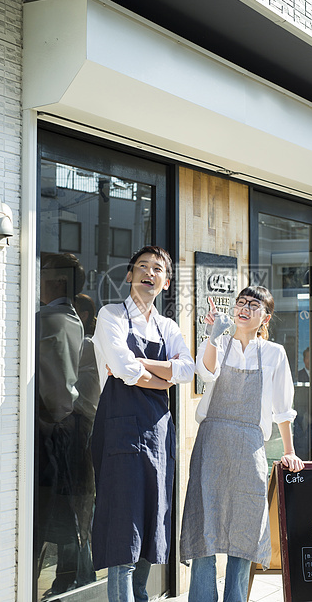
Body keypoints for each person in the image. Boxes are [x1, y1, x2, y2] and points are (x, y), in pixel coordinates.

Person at [180, 286, 304, 602]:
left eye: (253, 304)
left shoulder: (275, 353)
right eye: (240, 303)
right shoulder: (220, 342)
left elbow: (282, 408)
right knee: (204, 526)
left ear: (266, 316)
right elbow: (206, 373)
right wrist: (210, 335)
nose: (244, 308)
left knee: (245, 530)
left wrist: (289, 451)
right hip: (212, 445)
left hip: (250, 449)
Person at [91, 245, 194, 602]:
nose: (150, 273)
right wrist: (162, 376)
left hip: (158, 431)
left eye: (157, 269)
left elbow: (187, 369)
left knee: (153, 518)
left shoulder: (168, 326)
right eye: (143, 267)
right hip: (120, 430)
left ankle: (142, 597)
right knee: (124, 523)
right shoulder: (111, 316)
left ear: (166, 282)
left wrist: (143, 368)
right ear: (130, 275)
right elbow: (121, 367)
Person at [38, 252, 86, 595]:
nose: (35, 277)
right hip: (64, 429)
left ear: (56, 281)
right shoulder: (71, 319)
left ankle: (57, 580)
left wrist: (48, 423)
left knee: (44, 519)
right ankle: (66, 579)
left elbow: (55, 395)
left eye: (41, 272)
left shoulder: (48, 319)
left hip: (49, 432)